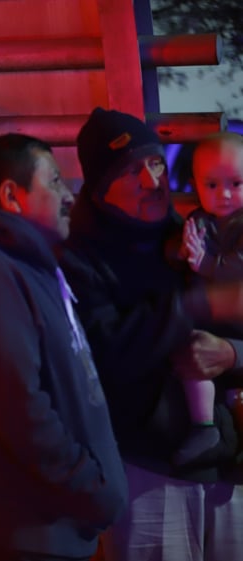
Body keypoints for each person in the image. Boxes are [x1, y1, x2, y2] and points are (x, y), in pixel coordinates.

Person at [0, 133, 127, 561]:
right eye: (55, 182)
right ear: (11, 196)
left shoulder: (25, 265)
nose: (68, 197)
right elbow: (19, 407)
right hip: (22, 539)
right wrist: (91, 488)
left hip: (52, 531)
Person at [59, 107, 243, 561]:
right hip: (145, 473)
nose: (151, 179)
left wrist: (233, 354)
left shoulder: (195, 237)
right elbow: (103, 356)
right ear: (99, 188)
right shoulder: (76, 262)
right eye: (128, 171)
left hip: (230, 466)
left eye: (156, 162)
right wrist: (192, 307)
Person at [174, 131, 243, 467]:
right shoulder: (197, 220)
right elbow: (184, 257)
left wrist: (204, 263)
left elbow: (236, 267)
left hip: (238, 322)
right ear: (195, 184)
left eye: (236, 183)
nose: (225, 194)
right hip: (206, 320)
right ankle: (204, 427)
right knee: (195, 362)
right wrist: (181, 252)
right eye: (211, 185)